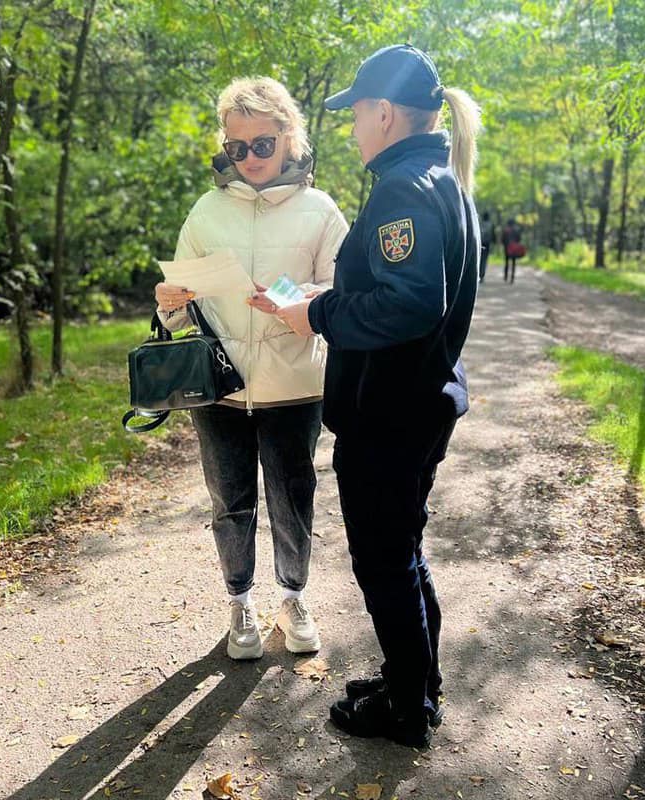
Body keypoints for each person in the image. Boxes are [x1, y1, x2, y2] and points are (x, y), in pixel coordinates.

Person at [265, 44, 481, 748]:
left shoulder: (403, 189)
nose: (353, 128)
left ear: (384, 113)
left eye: (358, 114)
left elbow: (412, 304)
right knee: (403, 553)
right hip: (413, 406)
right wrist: (324, 299)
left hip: (389, 415)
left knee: (384, 560)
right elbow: (400, 294)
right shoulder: (435, 178)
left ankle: (407, 711)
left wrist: (317, 314)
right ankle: (415, 681)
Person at [154, 77, 349, 661]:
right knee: (229, 501)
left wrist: (294, 298)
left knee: (293, 499)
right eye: (236, 149)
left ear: (289, 138)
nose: (250, 158)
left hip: (295, 387)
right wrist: (170, 307)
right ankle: (239, 604)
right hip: (219, 387)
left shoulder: (320, 210)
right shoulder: (205, 211)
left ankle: (293, 598)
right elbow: (180, 317)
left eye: (261, 144)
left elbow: (345, 297)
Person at [501, 218, 522, 283]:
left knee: (506, 262)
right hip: (514, 248)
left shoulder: (506, 230)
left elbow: (502, 239)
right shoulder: (516, 230)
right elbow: (519, 239)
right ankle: (512, 277)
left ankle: (505, 276)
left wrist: (505, 244)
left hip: (507, 248)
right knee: (513, 263)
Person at [479, 211, 495, 281]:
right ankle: (482, 275)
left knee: (479, 259)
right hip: (487, 244)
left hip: (479, 243)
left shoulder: (479, 223)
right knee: (484, 260)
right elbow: (493, 235)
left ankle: (478, 274)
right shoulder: (491, 224)